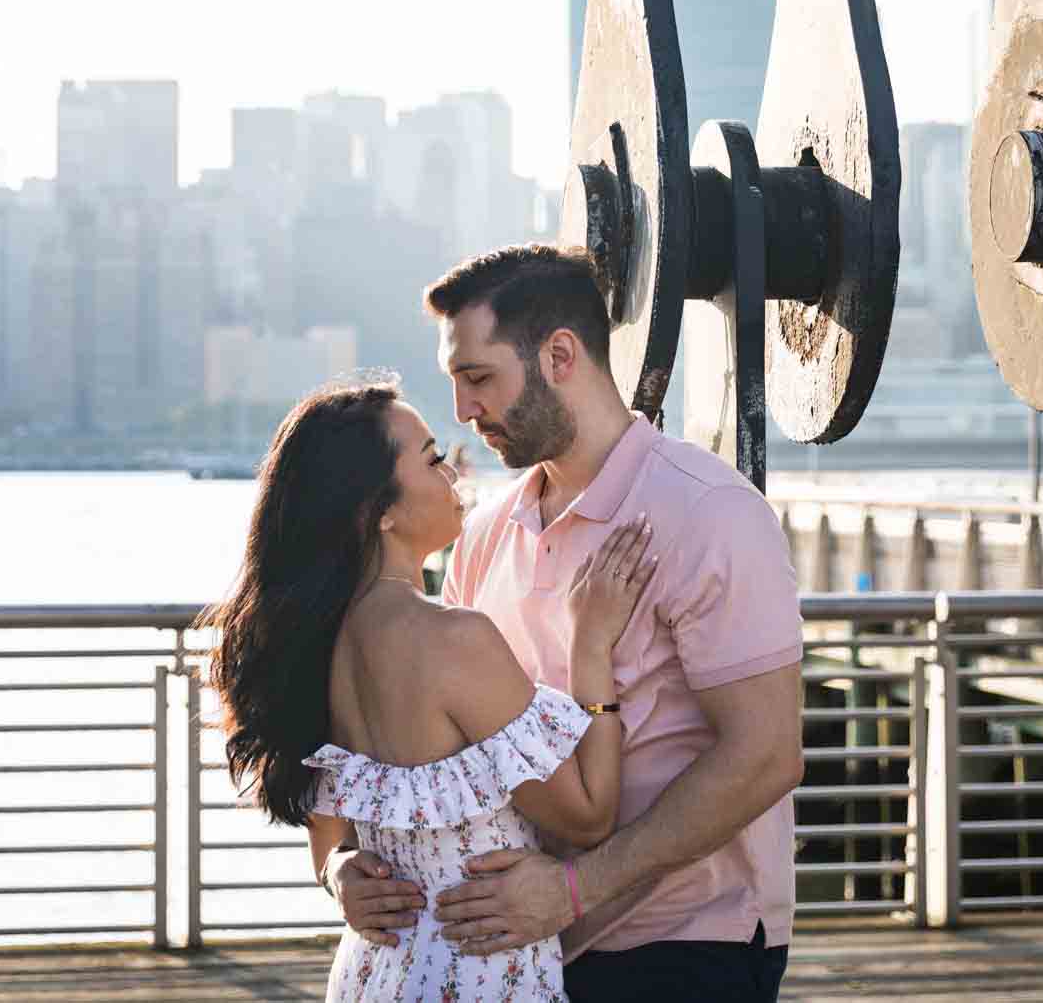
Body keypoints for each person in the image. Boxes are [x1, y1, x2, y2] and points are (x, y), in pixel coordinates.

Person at [322, 245, 805, 1002]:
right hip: (514, 955)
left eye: (478, 377)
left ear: (559, 355)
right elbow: (432, 746)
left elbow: (767, 754)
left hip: (682, 946)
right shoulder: (483, 536)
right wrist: (343, 863)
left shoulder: (710, 512)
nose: (463, 411)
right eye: (454, 382)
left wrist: (574, 889)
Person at [204, 379, 660, 1001]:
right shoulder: (452, 639)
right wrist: (591, 647)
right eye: (431, 459)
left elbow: (331, 840)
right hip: (478, 974)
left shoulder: (311, 641)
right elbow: (587, 817)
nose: (452, 472)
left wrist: (339, 872)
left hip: (376, 974)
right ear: (378, 511)